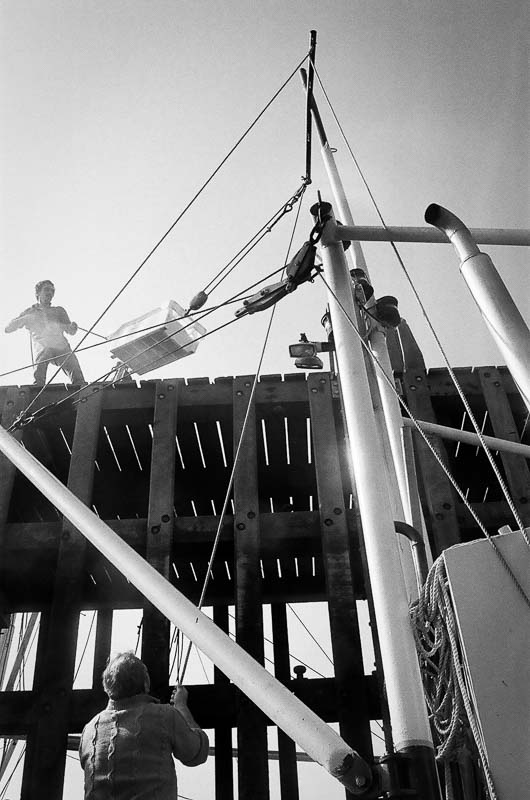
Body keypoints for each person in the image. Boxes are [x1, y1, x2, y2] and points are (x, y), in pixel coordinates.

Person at [79, 652, 209, 799]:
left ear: (107, 686)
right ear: (146, 682)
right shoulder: (164, 715)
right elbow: (196, 753)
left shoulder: (89, 731)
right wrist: (181, 707)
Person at [4, 279, 85, 385]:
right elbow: (8, 329)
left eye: (52, 291)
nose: (50, 293)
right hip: (43, 347)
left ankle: (81, 387)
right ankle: (38, 386)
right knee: (43, 354)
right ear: (38, 293)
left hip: (61, 347)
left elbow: (70, 331)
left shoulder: (59, 311)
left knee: (73, 365)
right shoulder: (30, 311)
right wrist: (26, 318)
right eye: (47, 290)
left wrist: (72, 327)